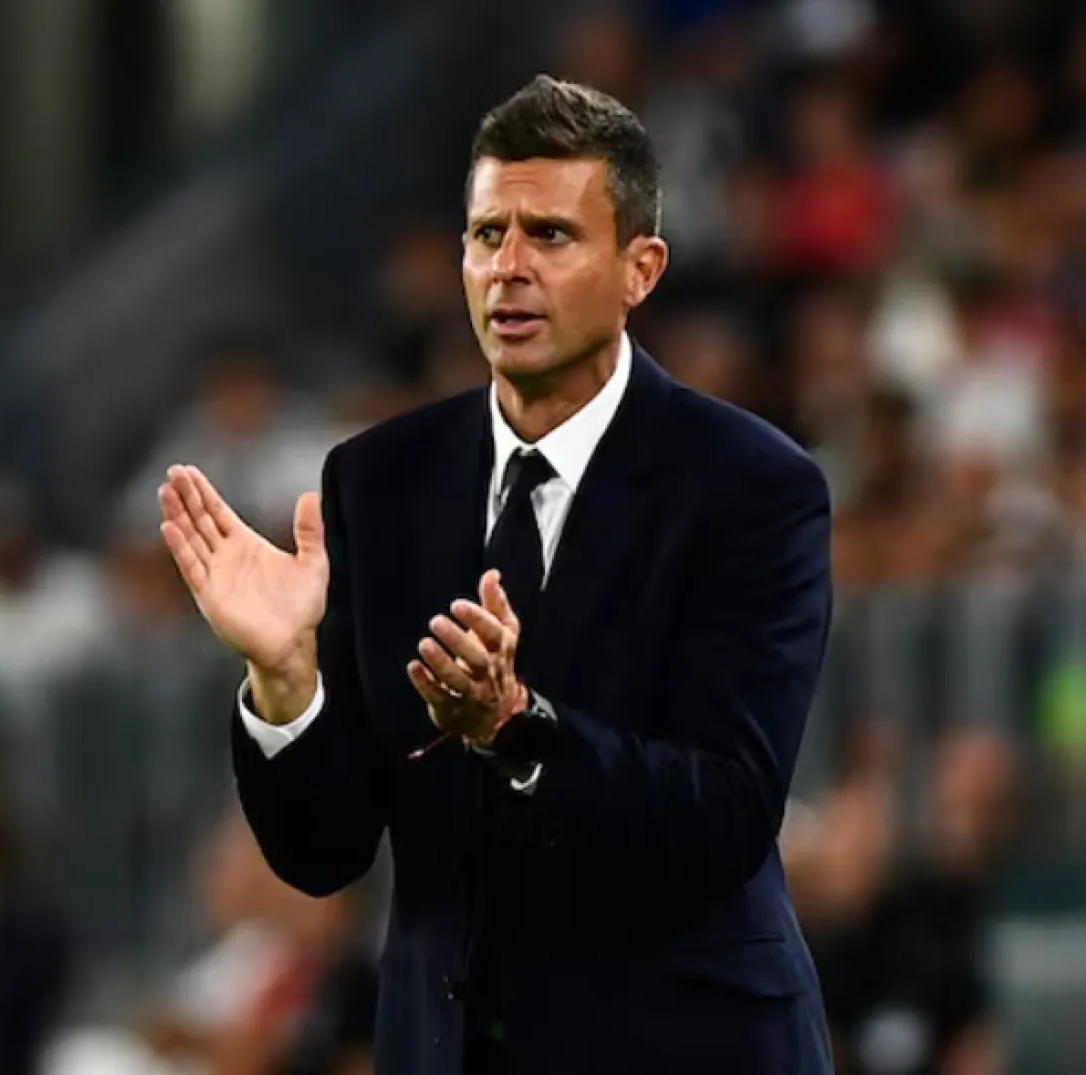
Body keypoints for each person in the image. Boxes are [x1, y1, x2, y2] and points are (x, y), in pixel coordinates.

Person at [159, 75, 834, 1075]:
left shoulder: (749, 486)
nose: (508, 268)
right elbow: (323, 853)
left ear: (639, 268)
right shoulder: (378, 481)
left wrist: (518, 726)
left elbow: (725, 815)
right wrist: (286, 682)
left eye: (551, 236)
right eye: (486, 235)